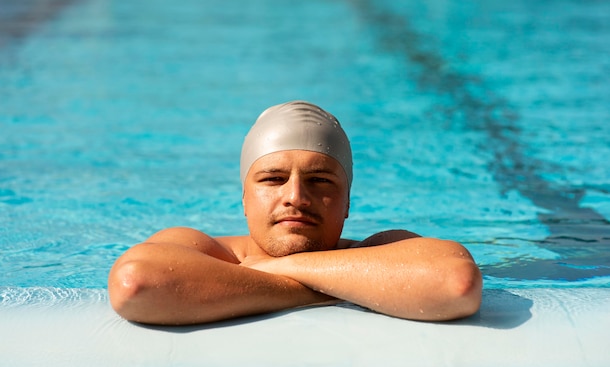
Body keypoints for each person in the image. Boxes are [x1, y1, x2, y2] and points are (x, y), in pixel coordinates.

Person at [108, 101, 482, 325]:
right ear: (244, 198)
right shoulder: (200, 249)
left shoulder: (379, 248)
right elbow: (135, 284)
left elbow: (455, 283)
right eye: (273, 179)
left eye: (320, 180)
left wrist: (273, 268)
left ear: (348, 201)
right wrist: (331, 290)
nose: (296, 196)